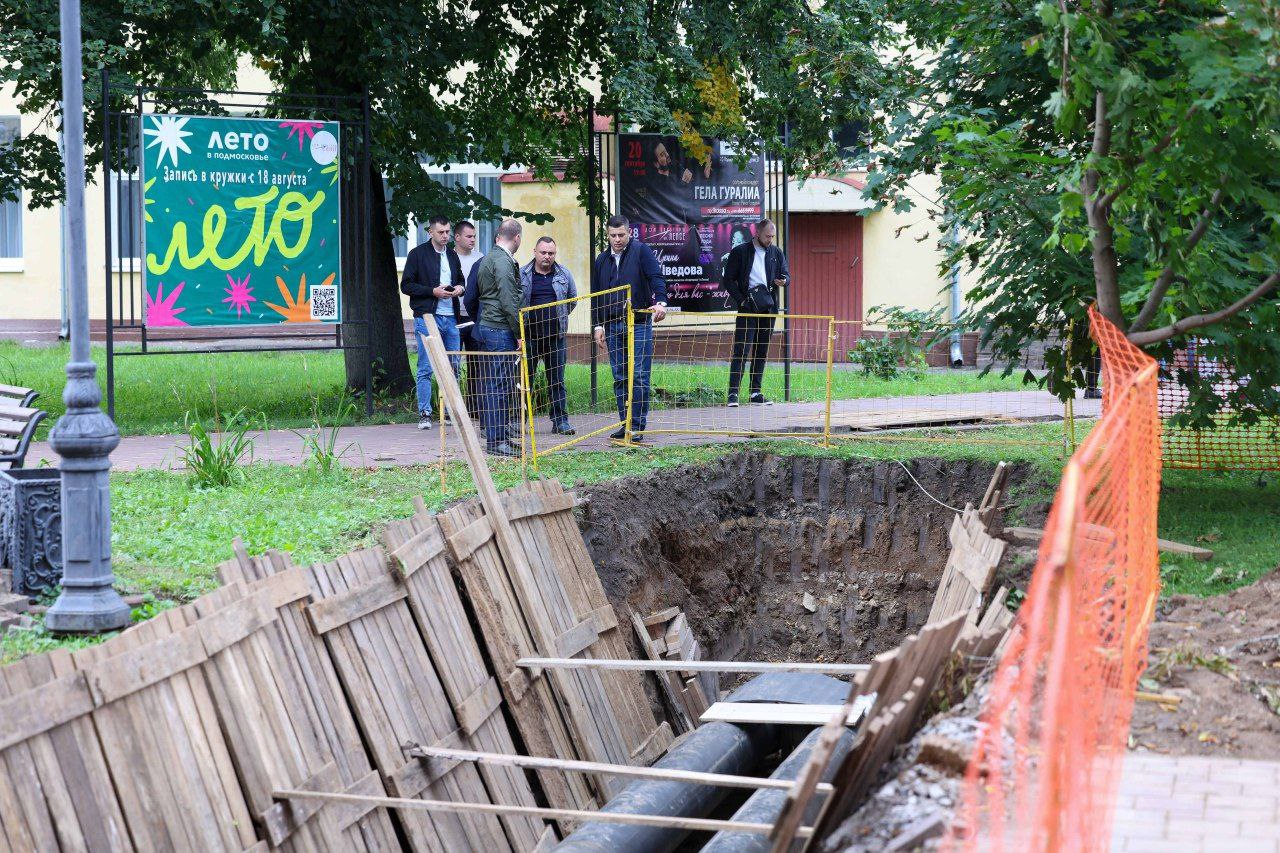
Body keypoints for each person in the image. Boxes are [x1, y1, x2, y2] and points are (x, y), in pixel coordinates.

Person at [590, 214, 668, 443]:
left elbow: (656, 277)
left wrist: (661, 302)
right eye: (612, 235)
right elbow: (597, 295)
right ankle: (625, 424)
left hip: (640, 322)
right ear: (607, 235)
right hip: (613, 325)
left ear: (629, 233)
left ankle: (637, 426)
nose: (617, 239)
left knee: (640, 376)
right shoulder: (602, 260)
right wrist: (598, 325)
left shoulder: (641, 251)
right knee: (620, 376)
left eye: (621, 235)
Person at [400, 215, 464, 429]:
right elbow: (406, 285)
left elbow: (461, 280)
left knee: (453, 366)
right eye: (441, 232)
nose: (445, 236)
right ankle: (425, 413)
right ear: (430, 232)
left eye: (447, 232)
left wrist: (459, 289)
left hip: (451, 317)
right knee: (426, 366)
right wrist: (432, 292)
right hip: (427, 316)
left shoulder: (452, 255)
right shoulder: (417, 254)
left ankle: (449, 412)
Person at [722, 218, 789, 406]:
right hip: (747, 307)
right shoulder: (740, 252)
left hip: (768, 307)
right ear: (757, 233)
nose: (770, 239)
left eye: (773, 236)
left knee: (762, 349)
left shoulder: (776, 252)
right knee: (741, 349)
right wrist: (742, 300)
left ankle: (755, 392)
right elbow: (728, 280)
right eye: (767, 236)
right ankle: (733, 393)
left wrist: (784, 281)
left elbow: (786, 274)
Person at [474, 218, 524, 457]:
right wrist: (519, 332)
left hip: (490, 324)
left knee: (500, 384)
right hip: (500, 327)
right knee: (499, 385)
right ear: (517, 238)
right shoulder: (503, 261)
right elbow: (508, 300)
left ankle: (501, 437)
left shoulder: (488, 258)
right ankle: (496, 441)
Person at [519, 237, 577, 436]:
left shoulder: (564, 274)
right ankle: (519, 422)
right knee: (524, 381)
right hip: (529, 337)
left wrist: (558, 317)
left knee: (557, 382)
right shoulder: (522, 274)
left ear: (555, 254)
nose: (547, 257)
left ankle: (560, 422)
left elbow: (572, 300)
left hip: (556, 337)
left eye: (551, 253)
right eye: (543, 252)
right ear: (535, 251)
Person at [453, 220, 486, 420]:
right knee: (453, 363)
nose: (473, 239)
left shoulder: (480, 258)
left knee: (477, 363)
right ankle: (453, 410)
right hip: (454, 317)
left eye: (474, 236)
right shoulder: (449, 257)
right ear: (457, 237)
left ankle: (474, 408)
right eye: (468, 236)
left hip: (474, 318)